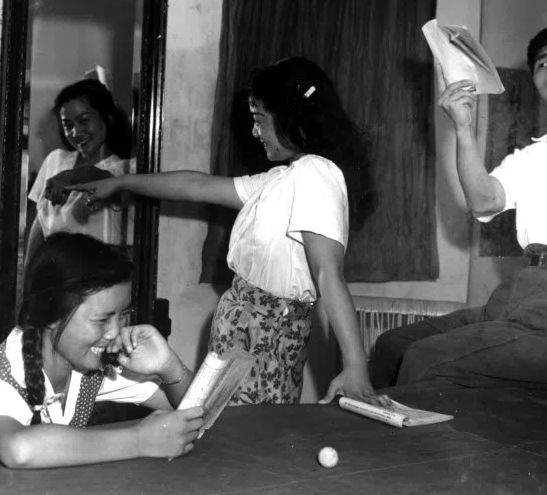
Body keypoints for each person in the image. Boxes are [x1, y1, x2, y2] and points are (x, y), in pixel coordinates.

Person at [70, 57, 388, 407]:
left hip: (264, 341)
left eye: (260, 120)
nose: (255, 132)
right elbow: (196, 186)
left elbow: (328, 272)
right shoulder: (282, 179)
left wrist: (356, 367)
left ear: (291, 118)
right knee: (219, 427)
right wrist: (119, 183)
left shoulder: (315, 173)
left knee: (244, 433)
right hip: (241, 334)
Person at [371, 24, 547, 389]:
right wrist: (463, 129)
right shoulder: (532, 155)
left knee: (426, 358)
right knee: (394, 345)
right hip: (516, 297)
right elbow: (483, 199)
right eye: (542, 63)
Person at [0, 232, 205, 467]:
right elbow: (19, 449)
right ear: (51, 316)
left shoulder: (89, 367)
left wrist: (168, 366)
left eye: (123, 316)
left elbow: (199, 412)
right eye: (102, 320)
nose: (115, 332)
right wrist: (140, 440)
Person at [25, 79, 132, 261]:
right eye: (68, 125)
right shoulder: (55, 160)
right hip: (52, 270)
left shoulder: (125, 169)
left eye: (84, 121)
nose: (75, 132)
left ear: (108, 117)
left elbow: (106, 179)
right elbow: (38, 225)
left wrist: (72, 176)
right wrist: (28, 272)